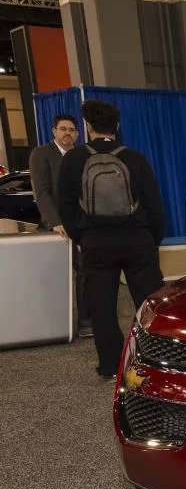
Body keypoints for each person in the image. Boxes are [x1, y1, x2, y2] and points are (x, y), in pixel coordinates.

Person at [57, 98, 165, 382]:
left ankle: (111, 365)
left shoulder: (74, 159)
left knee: (102, 308)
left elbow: (65, 205)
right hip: (137, 239)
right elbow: (155, 204)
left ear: (88, 126)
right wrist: (154, 239)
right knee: (149, 305)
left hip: (96, 242)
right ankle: (155, 359)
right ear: (116, 126)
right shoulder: (135, 158)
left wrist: (81, 236)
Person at [29, 113, 92, 338]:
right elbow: (41, 191)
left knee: (85, 271)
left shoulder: (82, 155)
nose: (67, 133)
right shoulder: (41, 154)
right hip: (56, 227)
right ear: (54, 131)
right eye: (63, 129)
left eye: (71, 130)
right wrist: (55, 222)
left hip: (81, 223)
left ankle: (85, 321)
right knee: (56, 276)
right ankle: (53, 324)